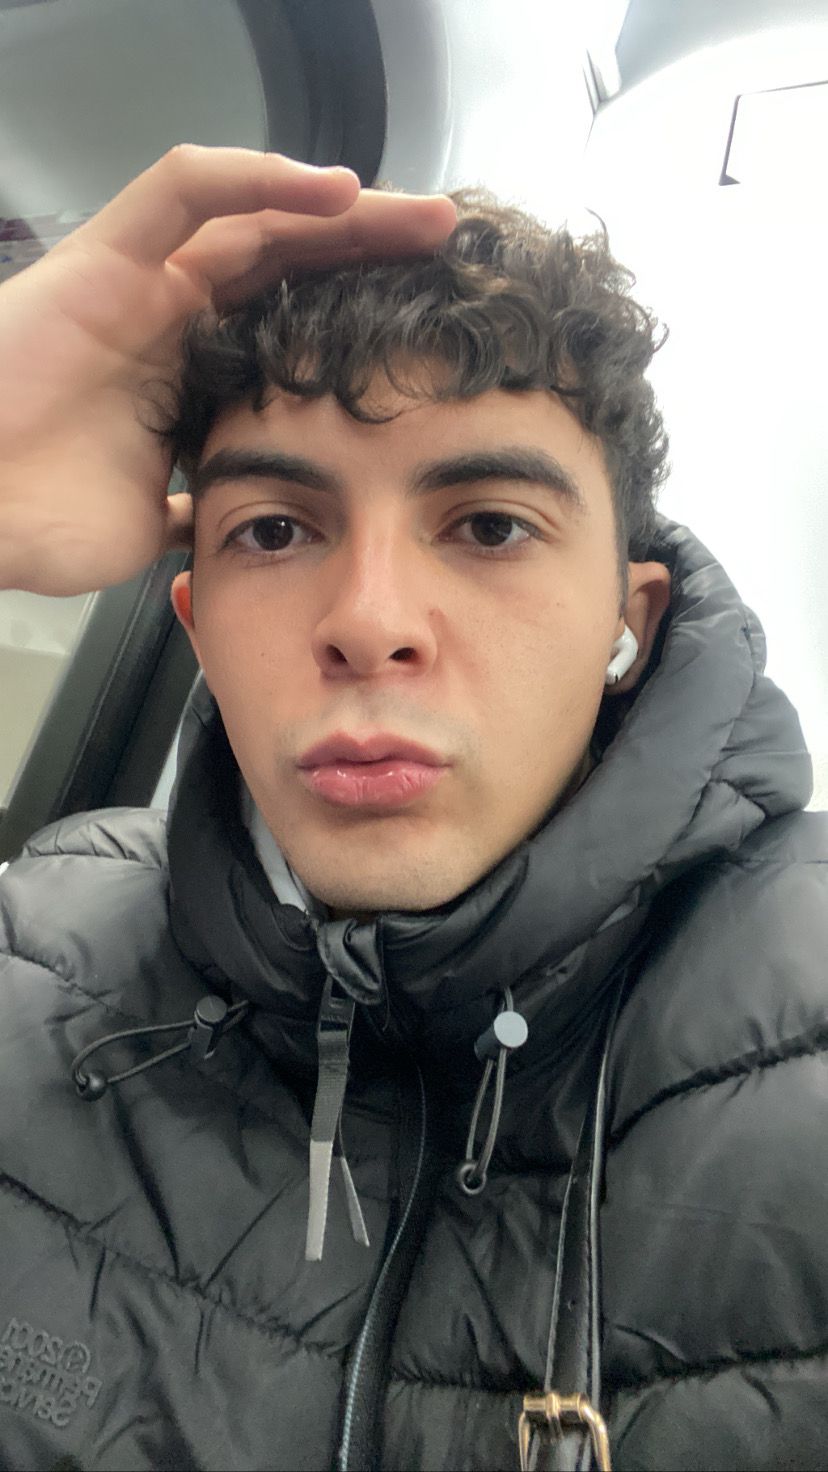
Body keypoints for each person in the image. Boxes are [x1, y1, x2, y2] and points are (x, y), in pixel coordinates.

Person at [0, 143, 824, 1472]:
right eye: (275, 530)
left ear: (626, 620)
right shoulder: (29, 965)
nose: (370, 623)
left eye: (489, 526)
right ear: (197, 624)